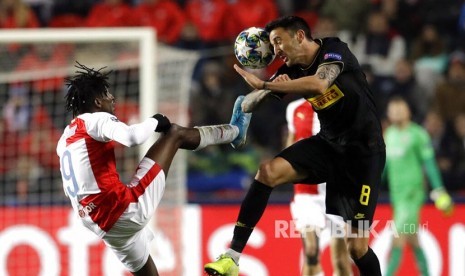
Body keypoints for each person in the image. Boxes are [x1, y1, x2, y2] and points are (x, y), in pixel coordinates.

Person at [204, 15, 386, 276]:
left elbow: (320, 82)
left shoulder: (334, 50)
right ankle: (232, 257)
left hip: (363, 154)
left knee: (356, 248)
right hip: (328, 146)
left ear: (299, 36)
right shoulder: (289, 71)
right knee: (266, 172)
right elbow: (258, 99)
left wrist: (266, 84)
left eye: (278, 41)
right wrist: (243, 104)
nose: (275, 50)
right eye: (272, 44)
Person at [56, 63, 251, 276]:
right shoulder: (95, 119)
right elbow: (132, 137)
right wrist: (155, 121)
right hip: (121, 210)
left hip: (99, 224)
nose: (112, 98)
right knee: (174, 134)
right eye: (106, 94)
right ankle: (235, 132)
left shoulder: (65, 137)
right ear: (96, 102)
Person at [383, 96, 454, 276]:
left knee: (397, 238)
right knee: (413, 240)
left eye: (401, 108)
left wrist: (439, 189)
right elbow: (383, 169)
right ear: (388, 113)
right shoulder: (388, 135)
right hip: (397, 197)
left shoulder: (418, 134)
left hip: (413, 194)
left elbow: (429, 164)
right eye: (393, 109)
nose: (397, 111)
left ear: (408, 111)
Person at [285, 99, 351, 276]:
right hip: (306, 193)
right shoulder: (294, 108)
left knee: (342, 262)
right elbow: (290, 144)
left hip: (335, 191)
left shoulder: (340, 105)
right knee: (311, 252)